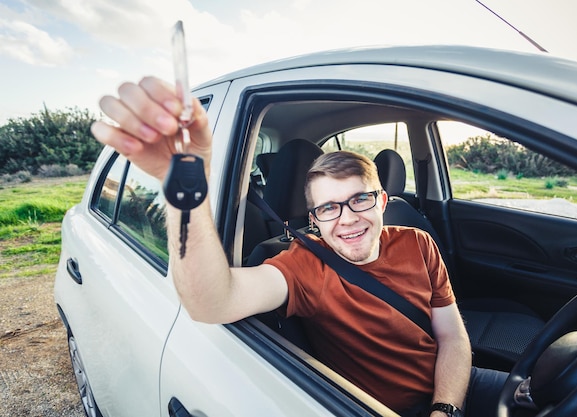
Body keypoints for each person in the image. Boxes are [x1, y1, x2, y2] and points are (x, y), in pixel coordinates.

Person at [92, 76, 507, 417]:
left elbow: (452, 336)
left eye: (360, 199)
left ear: (383, 201)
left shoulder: (417, 242)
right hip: (382, 410)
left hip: (450, 389)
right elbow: (212, 303)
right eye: (328, 208)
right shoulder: (304, 266)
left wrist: (446, 408)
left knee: (555, 394)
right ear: (313, 220)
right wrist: (188, 195)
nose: (347, 218)